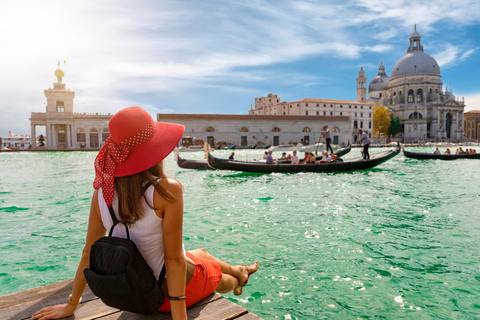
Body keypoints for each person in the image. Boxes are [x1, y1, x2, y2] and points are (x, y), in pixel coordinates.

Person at [32, 107, 258, 320]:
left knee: (201, 253)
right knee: (218, 275)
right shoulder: (166, 190)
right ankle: (237, 279)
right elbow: (174, 260)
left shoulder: (101, 193)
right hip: (163, 297)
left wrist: (71, 304)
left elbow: (87, 253)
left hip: (132, 293)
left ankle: (240, 269)